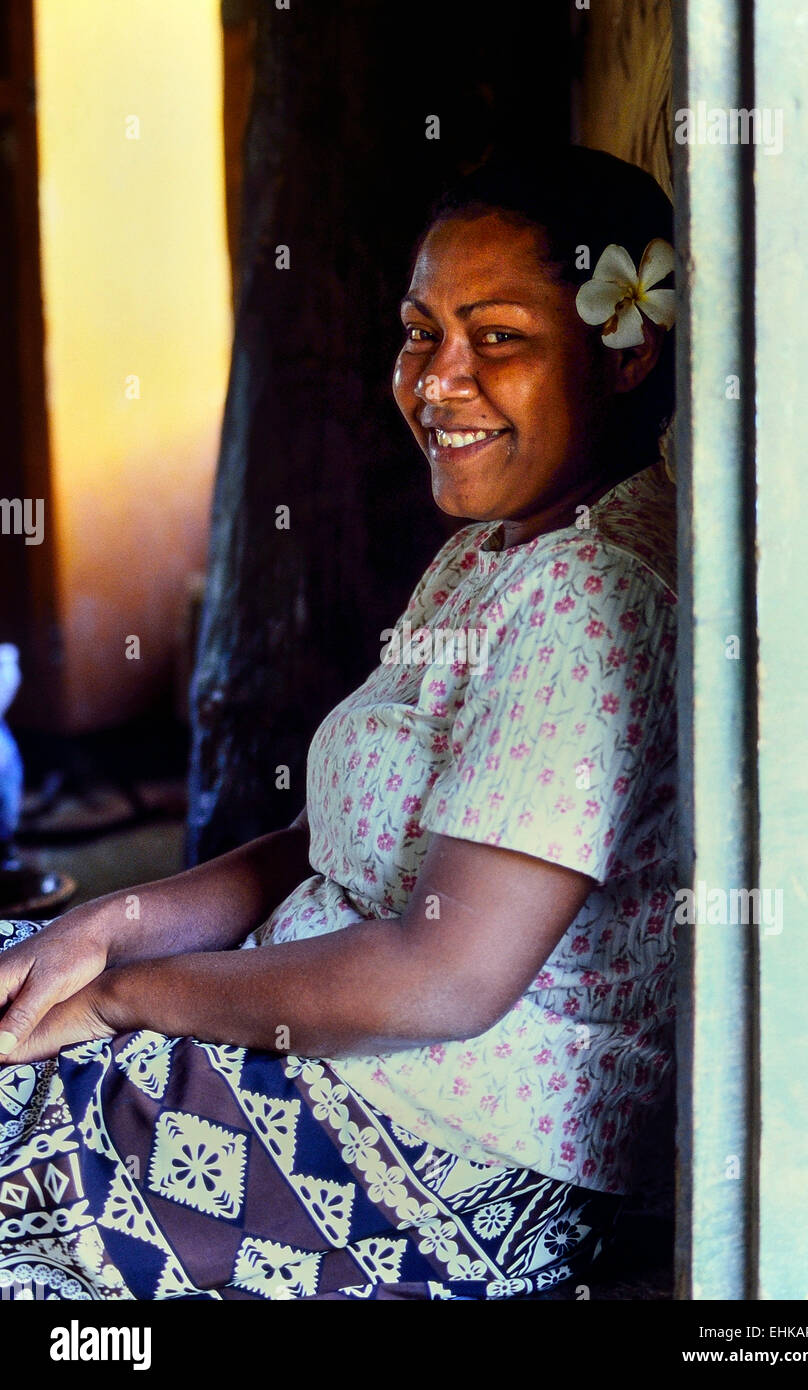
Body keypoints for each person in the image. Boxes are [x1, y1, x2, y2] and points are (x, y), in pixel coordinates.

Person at [0, 145, 678, 1301]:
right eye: (423, 332)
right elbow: (324, 844)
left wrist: (121, 997)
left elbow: (442, 978)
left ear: (621, 357)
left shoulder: (590, 596)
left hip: (436, 1170)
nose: (436, 381)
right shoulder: (491, 557)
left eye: (498, 337)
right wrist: (108, 928)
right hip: (341, 1082)